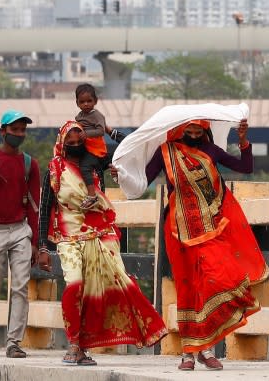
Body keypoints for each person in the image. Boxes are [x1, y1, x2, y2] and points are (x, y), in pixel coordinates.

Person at [37, 121, 168, 366]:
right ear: (62, 144)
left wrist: (111, 135)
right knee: (75, 285)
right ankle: (74, 343)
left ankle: (84, 347)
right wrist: (43, 247)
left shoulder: (95, 165)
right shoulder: (53, 171)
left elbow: (125, 153)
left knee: (106, 286)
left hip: (99, 235)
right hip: (68, 237)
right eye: (71, 143)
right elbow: (45, 211)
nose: (75, 146)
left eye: (79, 141)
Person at [144, 118, 268, 371]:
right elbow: (142, 179)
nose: (192, 133)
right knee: (188, 286)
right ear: (179, 129)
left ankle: (207, 346)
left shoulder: (210, 150)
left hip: (212, 227)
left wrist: (243, 141)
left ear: (205, 130)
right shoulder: (167, 152)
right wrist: (120, 173)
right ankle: (191, 353)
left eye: (197, 129)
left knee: (218, 280)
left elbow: (245, 167)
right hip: (178, 229)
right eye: (188, 129)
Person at [0, 109, 41, 358]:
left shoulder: (29, 164)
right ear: (3, 131)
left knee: (21, 286)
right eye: (15, 130)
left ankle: (14, 342)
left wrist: (35, 241)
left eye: (23, 130)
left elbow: (34, 204)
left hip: (20, 229)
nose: (19, 134)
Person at [73, 83, 124, 210]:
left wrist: (86, 134)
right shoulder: (79, 117)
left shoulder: (97, 115)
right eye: (82, 101)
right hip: (85, 149)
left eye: (89, 101)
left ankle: (92, 195)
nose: (86, 104)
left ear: (95, 101)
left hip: (96, 151)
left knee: (85, 167)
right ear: (77, 103)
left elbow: (101, 131)